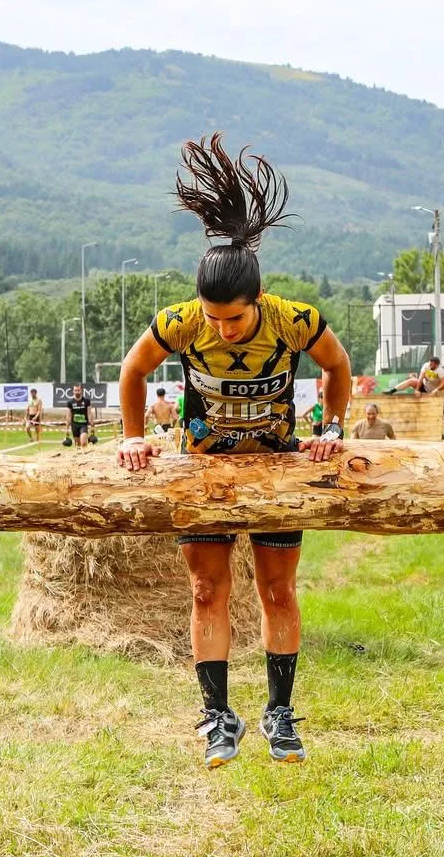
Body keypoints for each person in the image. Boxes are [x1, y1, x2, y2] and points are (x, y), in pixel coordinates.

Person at [115, 133, 352, 769]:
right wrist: (134, 436)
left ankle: (280, 712)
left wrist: (332, 428)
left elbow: (337, 365)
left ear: (258, 300)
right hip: (203, 470)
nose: (222, 329)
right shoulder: (180, 322)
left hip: (277, 468)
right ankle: (218, 715)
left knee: (277, 590)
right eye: (213, 318)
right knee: (205, 589)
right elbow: (134, 371)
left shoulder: (294, 319)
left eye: (234, 320)